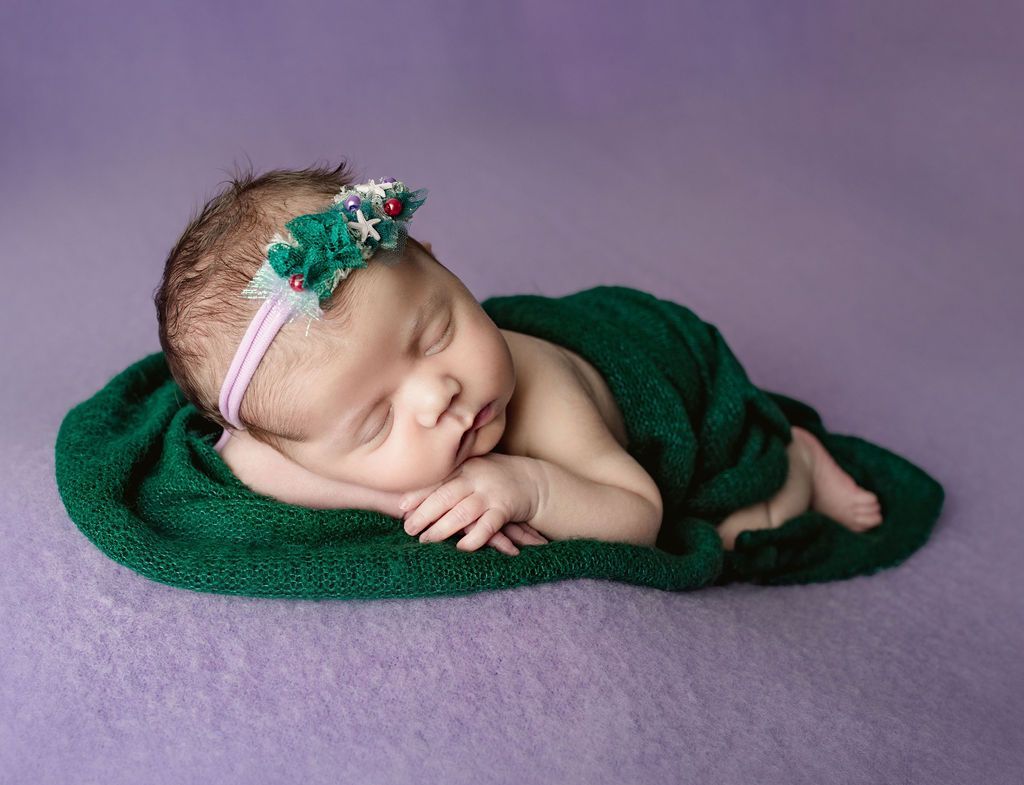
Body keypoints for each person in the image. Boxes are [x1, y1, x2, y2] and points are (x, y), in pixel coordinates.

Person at [154, 161, 882, 557]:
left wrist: (530, 486)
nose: (438, 393)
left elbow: (638, 514)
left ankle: (799, 462)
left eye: (435, 334)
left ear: (440, 265)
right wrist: (394, 495)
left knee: (732, 535)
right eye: (376, 423)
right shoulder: (292, 430)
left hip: (663, 367)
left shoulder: (544, 399)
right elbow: (252, 459)